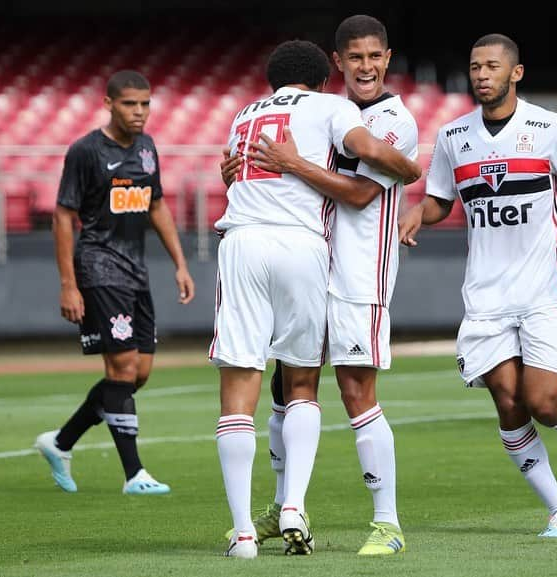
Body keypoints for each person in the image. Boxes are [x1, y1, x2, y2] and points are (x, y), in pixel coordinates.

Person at [210, 39, 420, 560]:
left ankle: (379, 521)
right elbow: (371, 154)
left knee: (253, 382)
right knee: (296, 385)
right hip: (304, 249)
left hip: (272, 251)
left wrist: (282, 163)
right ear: (330, 71)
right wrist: (411, 170)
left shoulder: (244, 112)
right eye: (354, 59)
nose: (364, 68)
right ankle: (289, 505)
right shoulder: (334, 108)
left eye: (373, 57)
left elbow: (359, 190)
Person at [398, 33, 557, 538]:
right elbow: (442, 201)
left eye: (491, 66)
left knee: (543, 402)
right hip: (485, 296)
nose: (481, 74)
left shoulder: (551, 128)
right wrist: (418, 212)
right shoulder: (451, 137)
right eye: (474, 67)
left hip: (541, 290)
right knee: (508, 403)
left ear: (516, 73)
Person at [35, 70, 196, 496]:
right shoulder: (85, 151)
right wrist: (68, 283)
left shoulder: (146, 148)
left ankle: (60, 442)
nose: (139, 112)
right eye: (130, 104)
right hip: (98, 268)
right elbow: (63, 217)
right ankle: (134, 474)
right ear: (109, 104)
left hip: (136, 272)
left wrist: (180, 263)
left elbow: (156, 205)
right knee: (122, 368)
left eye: (145, 103)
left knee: (137, 374)